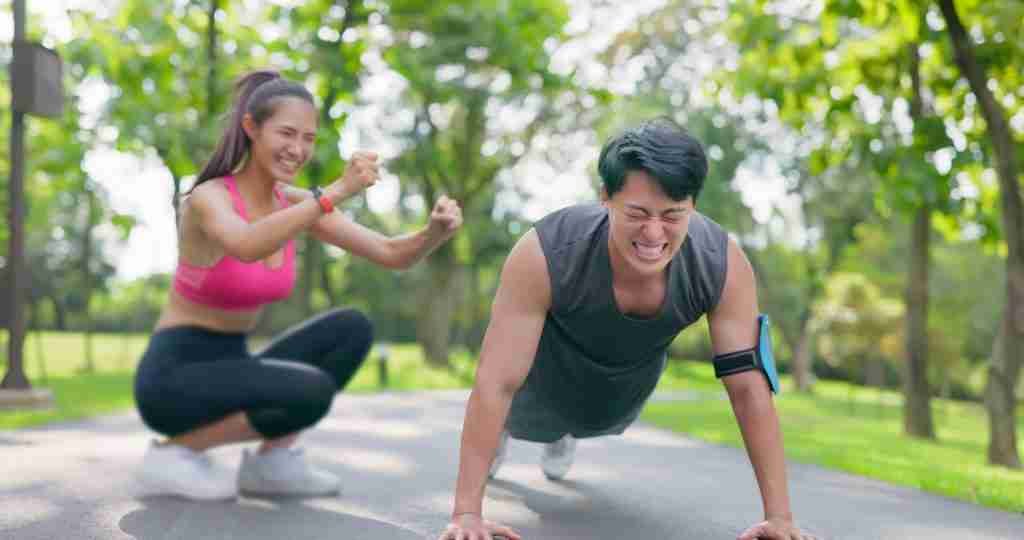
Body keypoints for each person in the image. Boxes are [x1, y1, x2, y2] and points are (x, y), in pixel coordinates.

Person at [439, 119, 813, 540]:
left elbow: (748, 390)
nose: (654, 234)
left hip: (628, 378)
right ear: (605, 199)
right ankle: (512, 433)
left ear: (693, 205)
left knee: (597, 418)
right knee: (529, 415)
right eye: (636, 213)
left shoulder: (722, 265)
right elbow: (495, 381)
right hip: (545, 370)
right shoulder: (545, 252)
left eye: (673, 215)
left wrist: (779, 518)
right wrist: (466, 513)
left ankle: (567, 431)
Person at [133, 69, 462, 501]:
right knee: (311, 389)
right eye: (287, 134)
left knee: (351, 328)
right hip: (173, 378)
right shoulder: (209, 198)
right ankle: (173, 452)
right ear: (250, 127)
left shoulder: (293, 203)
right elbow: (247, 244)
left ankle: (272, 460)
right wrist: (337, 191)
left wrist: (434, 232)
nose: (298, 149)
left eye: (308, 138)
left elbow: (391, 253)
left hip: (233, 365)